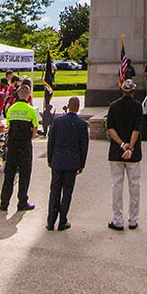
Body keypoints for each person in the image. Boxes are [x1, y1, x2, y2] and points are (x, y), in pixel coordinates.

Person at [46, 96, 89, 231]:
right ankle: (62, 220)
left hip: (57, 160)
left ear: (68, 106)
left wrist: (50, 159)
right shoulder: (82, 125)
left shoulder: (57, 121)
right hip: (72, 162)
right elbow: (84, 146)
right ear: (78, 107)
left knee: (55, 191)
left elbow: (50, 142)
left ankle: (51, 221)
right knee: (67, 192)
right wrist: (82, 164)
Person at [106, 79, 143, 230]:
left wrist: (122, 145)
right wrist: (130, 147)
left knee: (117, 185)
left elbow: (110, 128)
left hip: (116, 151)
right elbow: (136, 129)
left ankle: (117, 219)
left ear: (122, 90)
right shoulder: (137, 106)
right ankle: (133, 219)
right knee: (134, 186)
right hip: (133, 153)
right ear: (133, 91)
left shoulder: (113, 106)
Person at [1, 85, 39, 212]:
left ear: (17, 95)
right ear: (28, 95)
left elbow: (8, 126)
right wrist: (30, 138)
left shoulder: (11, 109)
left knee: (9, 174)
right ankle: (22, 202)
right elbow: (35, 129)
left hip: (12, 144)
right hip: (25, 145)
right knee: (24, 175)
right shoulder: (31, 110)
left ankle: (4, 203)